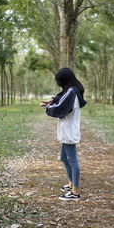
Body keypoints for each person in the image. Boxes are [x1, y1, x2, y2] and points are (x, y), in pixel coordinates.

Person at [40, 68, 87, 201]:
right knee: (64, 158)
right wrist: (52, 100)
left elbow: (60, 107)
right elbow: (61, 97)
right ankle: (72, 184)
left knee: (72, 160)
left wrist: (48, 107)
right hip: (68, 128)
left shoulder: (71, 91)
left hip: (69, 130)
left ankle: (75, 192)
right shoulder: (72, 90)